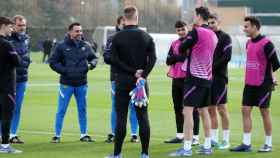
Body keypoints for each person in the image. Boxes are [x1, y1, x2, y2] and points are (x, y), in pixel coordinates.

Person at [105, 6, 156, 158]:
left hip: (122, 81)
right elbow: (153, 59)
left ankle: (117, 154)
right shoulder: (146, 36)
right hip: (140, 82)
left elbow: (113, 60)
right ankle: (145, 154)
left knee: (121, 116)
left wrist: (129, 71)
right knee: (143, 117)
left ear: (124, 18)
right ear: (137, 17)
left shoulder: (117, 37)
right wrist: (142, 75)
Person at [169, 6, 218, 156]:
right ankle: (207, 146)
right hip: (207, 78)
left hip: (194, 77)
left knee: (187, 111)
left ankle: (187, 148)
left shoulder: (197, 31)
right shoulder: (213, 35)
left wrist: (191, 34)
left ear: (199, 16)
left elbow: (182, 48)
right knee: (204, 111)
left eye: (195, 15)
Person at [230, 16, 280, 153]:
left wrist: (272, 78)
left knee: (265, 112)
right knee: (245, 110)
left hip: (263, 84)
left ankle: (268, 144)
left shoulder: (267, 44)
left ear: (255, 27)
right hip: (249, 84)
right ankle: (246, 144)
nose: (244, 28)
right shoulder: (248, 43)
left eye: (246, 26)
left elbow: (275, 63)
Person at [49, 22, 98, 143]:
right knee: (61, 110)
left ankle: (84, 134)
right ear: (70, 32)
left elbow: (94, 58)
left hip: (82, 83)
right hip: (66, 83)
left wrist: (91, 65)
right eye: (77, 31)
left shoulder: (86, 45)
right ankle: (57, 135)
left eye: (81, 31)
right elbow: (52, 62)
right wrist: (65, 71)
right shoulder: (61, 46)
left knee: (82, 109)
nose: (79, 33)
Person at [103, 16, 139, 143]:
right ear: (118, 25)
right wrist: (119, 60)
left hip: (134, 78)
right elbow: (106, 57)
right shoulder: (112, 39)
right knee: (116, 106)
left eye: (126, 21)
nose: (125, 24)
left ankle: (134, 134)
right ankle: (114, 133)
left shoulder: (137, 37)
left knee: (135, 106)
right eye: (122, 22)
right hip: (117, 77)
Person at [164, 20, 200, 145]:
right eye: (178, 30)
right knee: (177, 107)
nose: (181, 32)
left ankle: (195, 136)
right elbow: (168, 60)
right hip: (176, 79)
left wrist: (176, 58)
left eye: (183, 29)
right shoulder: (174, 43)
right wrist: (177, 57)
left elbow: (187, 57)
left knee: (192, 109)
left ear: (187, 28)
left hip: (189, 79)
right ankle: (180, 135)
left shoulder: (191, 42)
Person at [207, 13, 232, 149]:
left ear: (219, 22)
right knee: (211, 109)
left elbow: (227, 57)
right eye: (209, 23)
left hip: (220, 78)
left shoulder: (225, 37)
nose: (211, 25)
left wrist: (210, 67)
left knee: (222, 109)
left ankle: (226, 140)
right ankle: (214, 139)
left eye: (213, 23)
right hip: (207, 78)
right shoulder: (207, 37)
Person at [0, 16, 22, 154]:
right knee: (7, 116)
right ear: (3, 26)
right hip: (7, 86)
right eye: (10, 26)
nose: (11, 29)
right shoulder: (7, 44)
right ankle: (5, 145)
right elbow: (18, 62)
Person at [8, 15, 31, 144]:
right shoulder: (7, 39)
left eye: (24, 25)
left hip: (22, 78)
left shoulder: (26, 39)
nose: (22, 28)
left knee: (17, 107)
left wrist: (25, 63)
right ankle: (3, 135)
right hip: (9, 79)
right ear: (13, 25)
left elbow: (26, 57)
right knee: (5, 107)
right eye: (19, 25)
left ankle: (13, 134)